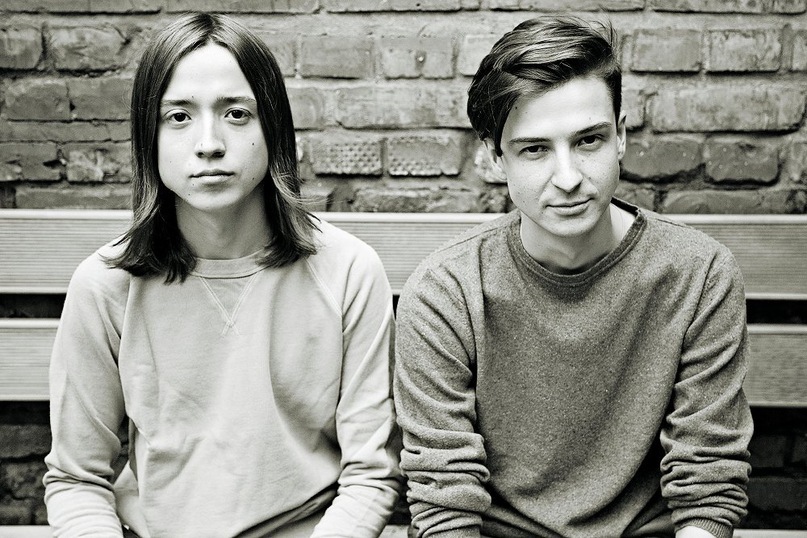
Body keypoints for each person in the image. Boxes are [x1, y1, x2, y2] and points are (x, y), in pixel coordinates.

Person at [393, 15, 753, 538]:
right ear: (495, 157)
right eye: (535, 149)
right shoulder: (447, 291)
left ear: (622, 137)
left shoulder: (699, 275)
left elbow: (707, 485)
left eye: (588, 141)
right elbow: (443, 501)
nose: (568, 178)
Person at [44, 13, 401, 538]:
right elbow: (77, 479)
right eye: (179, 117)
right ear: (150, 137)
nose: (208, 143)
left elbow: (371, 475)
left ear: (272, 128)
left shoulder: (349, 270)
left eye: (236, 114)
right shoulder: (106, 284)